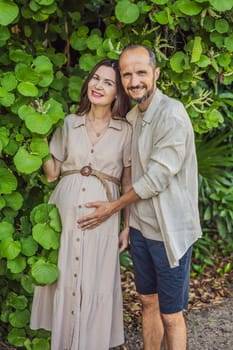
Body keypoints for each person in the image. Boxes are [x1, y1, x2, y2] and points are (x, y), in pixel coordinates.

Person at [77, 44, 202, 350]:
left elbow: (156, 179)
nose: (135, 81)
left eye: (142, 72)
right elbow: (129, 172)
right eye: (127, 74)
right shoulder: (131, 117)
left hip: (168, 230)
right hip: (141, 231)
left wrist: (112, 208)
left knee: (171, 314)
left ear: (156, 73)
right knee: (147, 301)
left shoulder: (171, 114)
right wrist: (127, 224)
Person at [30, 58, 132, 350]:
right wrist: (38, 137)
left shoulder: (125, 130)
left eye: (108, 82)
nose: (98, 85)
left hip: (104, 217)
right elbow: (51, 174)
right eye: (95, 78)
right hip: (64, 214)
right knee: (66, 280)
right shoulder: (69, 123)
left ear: (118, 94)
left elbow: (127, 182)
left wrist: (128, 225)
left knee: (95, 283)